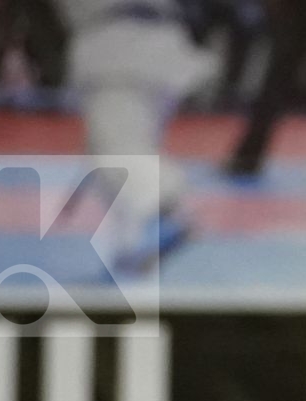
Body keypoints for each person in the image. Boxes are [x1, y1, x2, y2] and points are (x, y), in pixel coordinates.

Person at [54, 0, 215, 270]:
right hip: (151, 45)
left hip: (119, 45)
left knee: (119, 148)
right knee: (106, 152)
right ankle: (131, 243)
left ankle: (167, 210)